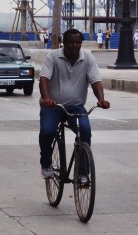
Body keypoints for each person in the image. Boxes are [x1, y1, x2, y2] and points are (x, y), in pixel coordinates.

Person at [38, 28, 110, 180]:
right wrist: (46, 98)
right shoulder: (53, 56)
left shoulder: (88, 58)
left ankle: (83, 173)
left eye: (78, 42)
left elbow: (96, 81)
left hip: (76, 106)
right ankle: (46, 164)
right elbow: (44, 79)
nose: (75, 45)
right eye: (71, 42)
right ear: (64, 43)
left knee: (84, 130)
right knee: (47, 131)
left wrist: (101, 99)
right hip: (53, 106)